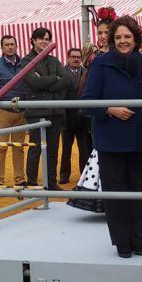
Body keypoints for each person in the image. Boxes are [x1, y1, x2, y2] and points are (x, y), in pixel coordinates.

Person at [82, 16, 142, 257]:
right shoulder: (100, 64)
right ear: (112, 40)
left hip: (138, 137)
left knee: (135, 191)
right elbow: (87, 101)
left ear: (135, 38)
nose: (123, 41)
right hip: (110, 139)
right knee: (116, 193)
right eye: (118, 37)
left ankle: (136, 239)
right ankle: (121, 241)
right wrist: (110, 109)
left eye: (127, 37)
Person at [23, 27, 74, 190]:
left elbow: (67, 80)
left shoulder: (54, 60)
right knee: (36, 148)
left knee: (53, 149)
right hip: (36, 111)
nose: (44, 41)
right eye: (41, 39)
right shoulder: (26, 61)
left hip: (55, 111)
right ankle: (31, 182)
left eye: (47, 39)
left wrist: (47, 82)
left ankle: (51, 182)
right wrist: (54, 79)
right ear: (33, 40)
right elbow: (34, 82)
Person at [0, 35, 28, 187]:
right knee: (0, 146)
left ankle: (20, 179)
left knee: (19, 147)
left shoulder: (24, 64)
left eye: (12, 44)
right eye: (7, 44)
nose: (10, 47)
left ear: (17, 46)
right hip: (2, 111)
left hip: (21, 111)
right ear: (1, 48)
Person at [59, 46, 91, 184]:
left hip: (82, 117)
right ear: (68, 58)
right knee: (66, 150)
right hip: (66, 117)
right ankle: (64, 176)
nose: (76, 59)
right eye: (73, 57)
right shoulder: (61, 73)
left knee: (84, 150)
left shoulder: (86, 72)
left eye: (78, 57)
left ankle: (84, 176)